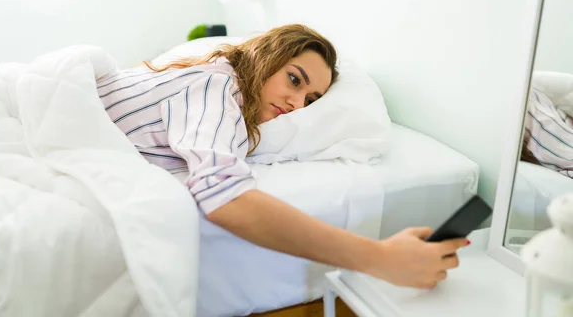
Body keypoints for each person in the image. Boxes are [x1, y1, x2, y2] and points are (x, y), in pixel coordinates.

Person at [97, 24, 469, 289]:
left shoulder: (230, 105)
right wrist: (378, 256)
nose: (296, 104)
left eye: (310, 101)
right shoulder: (217, 84)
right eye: (294, 79)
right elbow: (224, 197)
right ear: (268, 56)